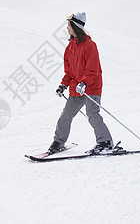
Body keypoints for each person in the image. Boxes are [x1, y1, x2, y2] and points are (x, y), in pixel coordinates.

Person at [48, 12, 115, 155]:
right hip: (76, 88)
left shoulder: (90, 46)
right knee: (65, 115)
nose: (67, 28)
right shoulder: (69, 48)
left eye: (69, 25)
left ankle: (105, 142)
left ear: (76, 27)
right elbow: (69, 72)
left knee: (92, 114)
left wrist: (84, 82)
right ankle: (58, 142)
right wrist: (63, 85)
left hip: (91, 87)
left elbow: (93, 69)